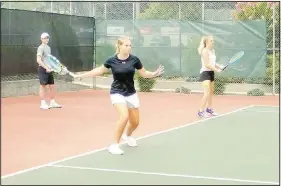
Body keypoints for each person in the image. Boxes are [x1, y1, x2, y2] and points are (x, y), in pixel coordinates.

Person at [73, 36, 164, 155]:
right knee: (124, 116)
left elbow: (143, 73)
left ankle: (128, 136)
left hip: (131, 93)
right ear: (119, 46)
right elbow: (99, 71)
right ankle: (114, 145)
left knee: (135, 122)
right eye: (126, 45)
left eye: (130, 45)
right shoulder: (111, 60)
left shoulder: (135, 60)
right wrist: (83, 75)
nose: (129, 47)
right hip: (117, 92)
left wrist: (154, 74)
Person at [197, 36, 224, 118]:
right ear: (207, 42)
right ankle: (200, 111)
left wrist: (219, 66)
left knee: (211, 92)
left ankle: (209, 109)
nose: (213, 42)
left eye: (213, 40)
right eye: (211, 41)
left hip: (211, 73)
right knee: (206, 93)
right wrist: (217, 70)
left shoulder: (212, 51)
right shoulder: (205, 51)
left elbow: (213, 63)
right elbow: (207, 64)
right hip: (205, 73)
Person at [36, 32, 62, 109]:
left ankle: (52, 102)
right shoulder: (41, 47)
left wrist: (50, 67)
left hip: (49, 69)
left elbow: (48, 60)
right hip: (42, 69)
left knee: (52, 86)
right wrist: (46, 67)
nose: (46, 39)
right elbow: (38, 60)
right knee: (43, 86)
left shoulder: (48, 48)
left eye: (47, 38)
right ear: (41, 39)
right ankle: (42, 104)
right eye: (44, 38)